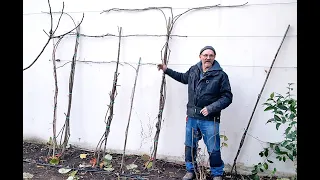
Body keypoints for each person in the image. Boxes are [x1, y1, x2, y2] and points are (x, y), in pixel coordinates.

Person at [157, 46, 233, 180]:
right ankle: (190, 170)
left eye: (211, 55)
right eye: (205, 55)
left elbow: (227, 97)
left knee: (213, 148)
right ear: (200, 56)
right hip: (192, 117)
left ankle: (217, 174)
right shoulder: (194, 70)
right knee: (190, 145)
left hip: (210, 118)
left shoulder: (221, 75)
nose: (208, 58)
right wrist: (166, 70)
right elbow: (182, 77)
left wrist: (211, 108)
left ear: (214, 57)